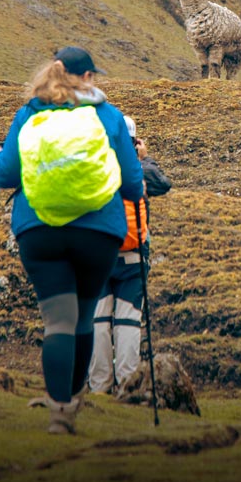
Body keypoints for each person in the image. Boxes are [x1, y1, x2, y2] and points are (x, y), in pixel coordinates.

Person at [0, 46, 144, 433]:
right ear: (87, 77)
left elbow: (5, 173)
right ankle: (74, 400)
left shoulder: (29, 113)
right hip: (98, 235)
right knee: (84, 317)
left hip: (40, 232)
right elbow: (132, 182)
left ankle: (58, 411)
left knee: (57, 320)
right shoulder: (107, 116)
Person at [88, 115, 171, 394]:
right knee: (128, 321)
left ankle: (99, 386)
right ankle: (127, 385)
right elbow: (162, 183)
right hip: (134, 256)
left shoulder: (95, 166)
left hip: (98, 255)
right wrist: (144, 159)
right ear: (134, 142)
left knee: (98, 321)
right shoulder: (137, 170)